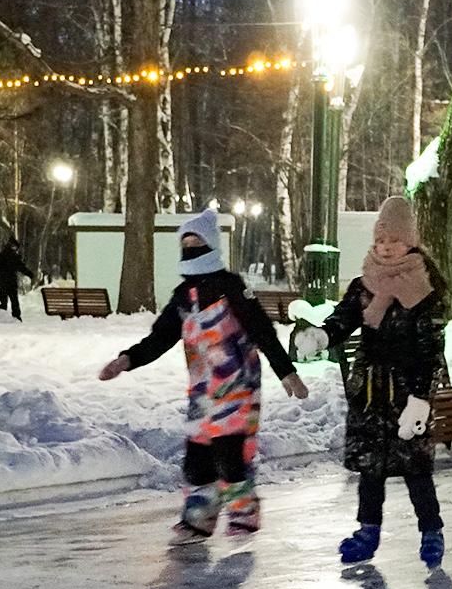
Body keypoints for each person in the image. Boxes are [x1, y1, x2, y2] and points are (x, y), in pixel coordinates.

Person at [100, 209, 308, 544]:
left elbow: (261, 330)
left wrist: (287, 372)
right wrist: (126, 360)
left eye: (197, 243)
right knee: (197, 456)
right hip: (202, 393)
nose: (191, 249)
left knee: (229, 454)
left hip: (238, 387)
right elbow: (161, 337)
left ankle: (244, 513)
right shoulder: (183, 297)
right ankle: (198, 518)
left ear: (210, 245)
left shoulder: (231, 288)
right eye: (186, 244)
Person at [294, 196, 448, 569]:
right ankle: (368, 531)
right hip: (369, 391)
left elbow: (431, 348)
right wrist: (321, 336)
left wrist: (420, 399)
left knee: (415, 469)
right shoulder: (364, 281)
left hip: (406, 391)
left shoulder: (426, 286)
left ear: (409, 240)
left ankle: (431, 532)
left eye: (393, 240)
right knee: (370, 469)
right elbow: (344, 318)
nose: (385, 247)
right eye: (380, 240)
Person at [0, 237, 36, 320]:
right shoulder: (13, 256)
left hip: (3, 280)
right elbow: (21, 267)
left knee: (4, 300)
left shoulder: (1, 256)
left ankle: (2, 315)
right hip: (11, 281)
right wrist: (29, 274)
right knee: (14, 300)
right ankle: (16, 316)